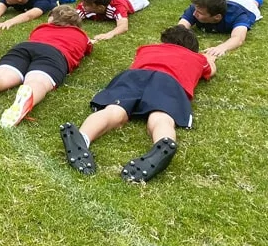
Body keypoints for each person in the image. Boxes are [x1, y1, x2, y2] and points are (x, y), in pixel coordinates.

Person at [60, 25, 216, 183]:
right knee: (161, 117)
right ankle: (162, 145)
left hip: (134, 77)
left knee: (114, 110)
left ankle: (83, 137)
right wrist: (210, 58)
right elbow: (211, 71)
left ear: (163, 42)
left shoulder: (147, 49)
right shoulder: (198, 59)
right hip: (169, 82)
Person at [0, 4, 92, 128]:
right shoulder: (82, 35)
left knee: (1, 77)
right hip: (54, 54)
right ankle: (25, 100)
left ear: (51, 20)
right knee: (38, 81)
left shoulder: (41, 28)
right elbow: (87, 49)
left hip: (25, 48)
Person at [177, 0, 263, 57]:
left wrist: (221, 48)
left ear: (217, 17)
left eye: (200, 13)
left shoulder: (238, 15)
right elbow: (180, 27)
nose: (194, 14)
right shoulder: (198, 8)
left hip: (244, 4)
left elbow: (238, 38)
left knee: (254, 1)